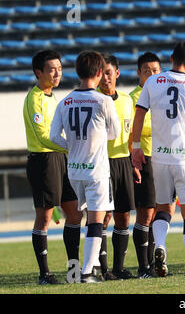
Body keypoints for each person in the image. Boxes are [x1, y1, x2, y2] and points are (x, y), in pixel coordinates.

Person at [132, 41, 185, 277]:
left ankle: (161, 245)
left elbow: (139, 113)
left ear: (171, 58)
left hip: (160, 157)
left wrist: (136, 146)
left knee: (163, 207)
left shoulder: (153, 81)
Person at [50, 50, 120, 283]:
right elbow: (115, 133)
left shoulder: (65, 101)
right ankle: (88, 271)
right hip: (96, 169)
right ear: (100, 73)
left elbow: (53, 137)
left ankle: (76, 268)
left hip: (74, 170)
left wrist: (71, 146)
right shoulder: (103, 100)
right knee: (96, 220)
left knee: (74, 219)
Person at [23, 49, 81, 285]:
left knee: (75, 213)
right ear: (39, 72)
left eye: (59, 68)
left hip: (60, 159)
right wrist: (71, 147)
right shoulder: (34, 98)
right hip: (43, 161)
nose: (57, 73)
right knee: (44, 218)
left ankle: (73, 271)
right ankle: (44, 274)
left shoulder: (52, 97)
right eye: (52, 69)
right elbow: (43, 135)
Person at [97, 54, 136, 279]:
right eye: (101, 74)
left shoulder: (126, 101)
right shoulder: (92, 100)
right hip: (102, 163)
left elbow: (131, 134)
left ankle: (119, 268)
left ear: (117, 73)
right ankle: (102, 269)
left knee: (123, 216)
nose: (105, 78)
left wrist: (134, 163)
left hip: (123, 162)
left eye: (109, 73)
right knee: (104, 216)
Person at [129, 52, 162, 278]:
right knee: (145, 213)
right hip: (144, 158)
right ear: (139, 73)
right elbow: (135, 128)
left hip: (164, 158)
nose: (152, 74)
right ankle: (143, 266)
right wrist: (164, 126)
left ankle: (151, 263)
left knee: (159, 213)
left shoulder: (163, 95)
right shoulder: (133, 98)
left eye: (156, 70)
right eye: (147, 70)